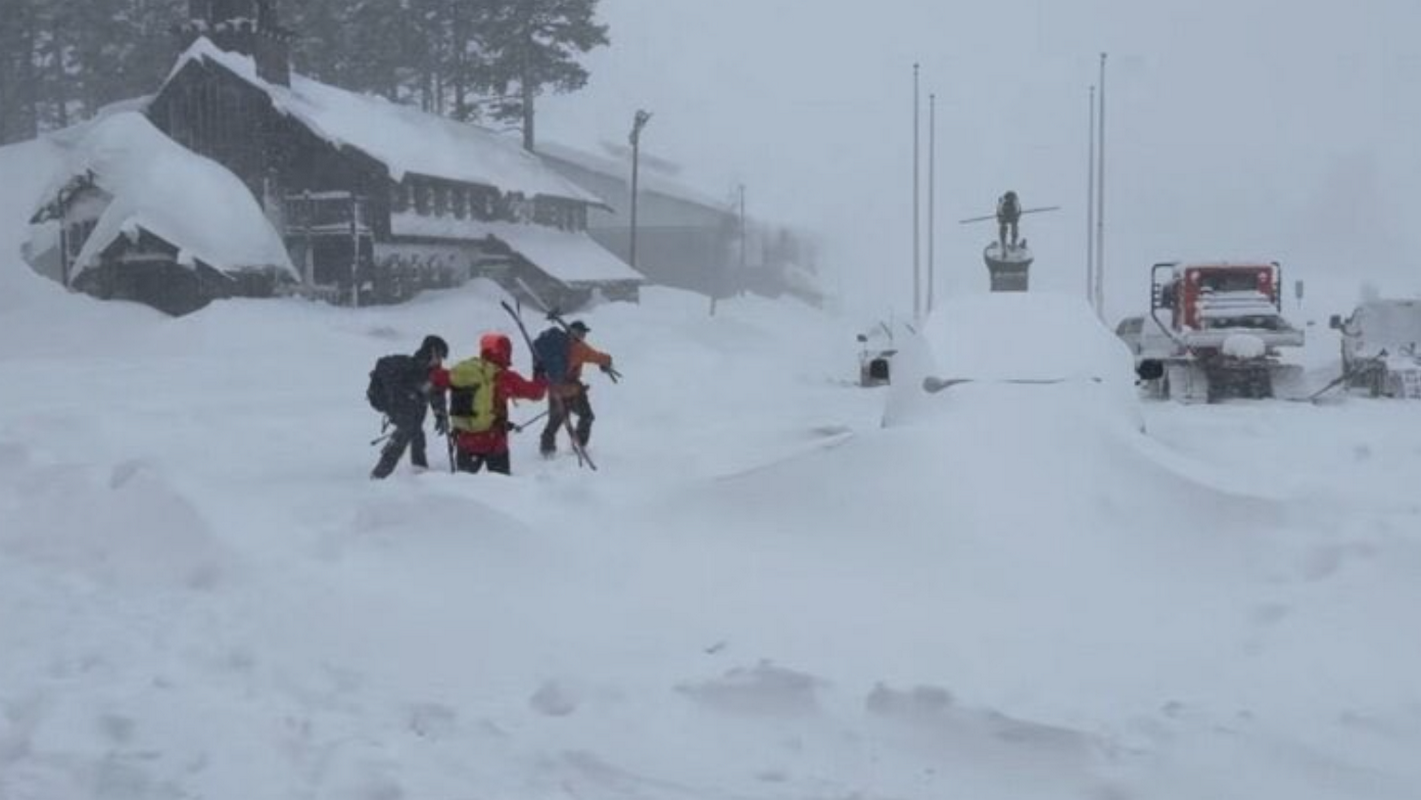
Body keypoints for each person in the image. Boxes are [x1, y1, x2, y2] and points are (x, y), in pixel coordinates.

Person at [433, 332, 546, 475]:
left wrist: (433, 363)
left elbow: (436, 378)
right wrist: (540, 373)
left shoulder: (464, 372)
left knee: (463, 488)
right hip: (494, 442)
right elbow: (536, 393)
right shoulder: (504, 377)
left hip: (465, 440)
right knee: (501, 490)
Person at [368, 335, 449, 479]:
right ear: (433, 351)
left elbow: (436, 392)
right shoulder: (410, 366)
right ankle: (379, 474)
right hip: (398, 405)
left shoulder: (431, 371)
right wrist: (407, 396)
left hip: (411, 407)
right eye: (440, 355)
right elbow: (393, 383)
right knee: (406, 431)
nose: (440, 360)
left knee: (416, 431)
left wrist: (440, 414)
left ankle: (419, 469)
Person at [538, 320, 614, 457]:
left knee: (555, 422)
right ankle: (579, 445)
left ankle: (546, 450)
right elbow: (597, 357)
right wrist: (607, 361)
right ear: (575, 332)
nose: (584, 336)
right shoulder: (579, 348)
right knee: (586, 416)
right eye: (582, 333)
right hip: (573, 391)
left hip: (555, 389)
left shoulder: (556, 346)